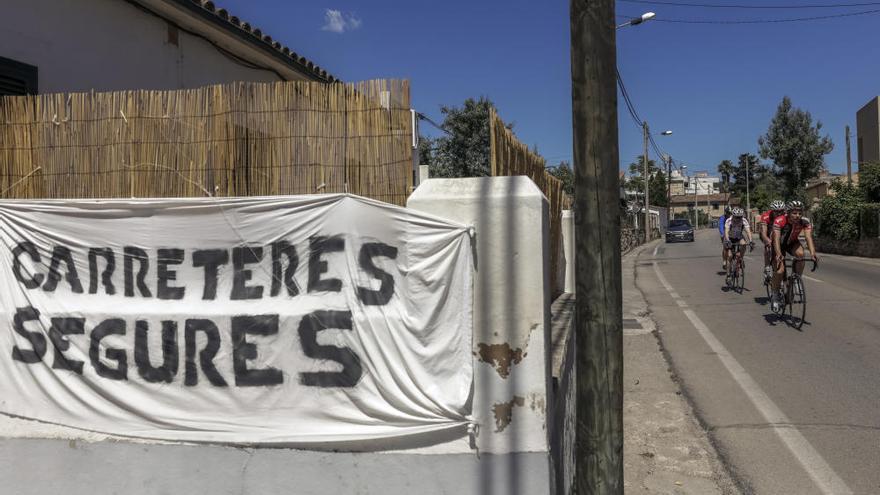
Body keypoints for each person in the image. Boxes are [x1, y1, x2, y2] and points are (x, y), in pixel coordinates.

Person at [770, 200, 819, 312]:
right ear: (788, 212)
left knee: (801, 254)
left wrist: (812, 253)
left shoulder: (805, 222)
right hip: (778, 245)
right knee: (780, 271)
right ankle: (775, 294)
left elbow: (808, 238)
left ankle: (796, 279)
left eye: (800, 213)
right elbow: (776, 239)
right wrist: (778, 254)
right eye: (794, 213)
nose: (797, 216)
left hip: (792, 242)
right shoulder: (780, 220)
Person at [758, 200, 786, 279]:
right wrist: (767, 241)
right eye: (776, 212)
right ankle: (767, 268)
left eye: (781, 211)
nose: (779, 214)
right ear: (772, 211)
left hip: (776, 231)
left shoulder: (785, 215)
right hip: (766, 231)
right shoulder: (766, 216)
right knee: (768, 246)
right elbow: (763, 233)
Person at [723, 207, 753, 275]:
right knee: (730, 256)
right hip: (730, 238)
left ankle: (741, 259)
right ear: (733, 216)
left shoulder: (744, 220)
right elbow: (726, 232)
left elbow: (748, 231)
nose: (738, 219)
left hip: (739, 237)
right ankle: (728, 275)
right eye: (736, 217)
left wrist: (751, 241)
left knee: (743, 244)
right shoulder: (729, 220)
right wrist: (728, 241)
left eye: (740, 217)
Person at [718, 206, 731, 270]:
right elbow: (720, 226)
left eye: (730, 213)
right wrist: (723, 234)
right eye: (728, 213)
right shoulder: (722, 218)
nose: (729, 214)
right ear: (726, 212)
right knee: (725, 248)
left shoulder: (733, 218)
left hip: (732, 234)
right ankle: (724, 261)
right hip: (725, 234)